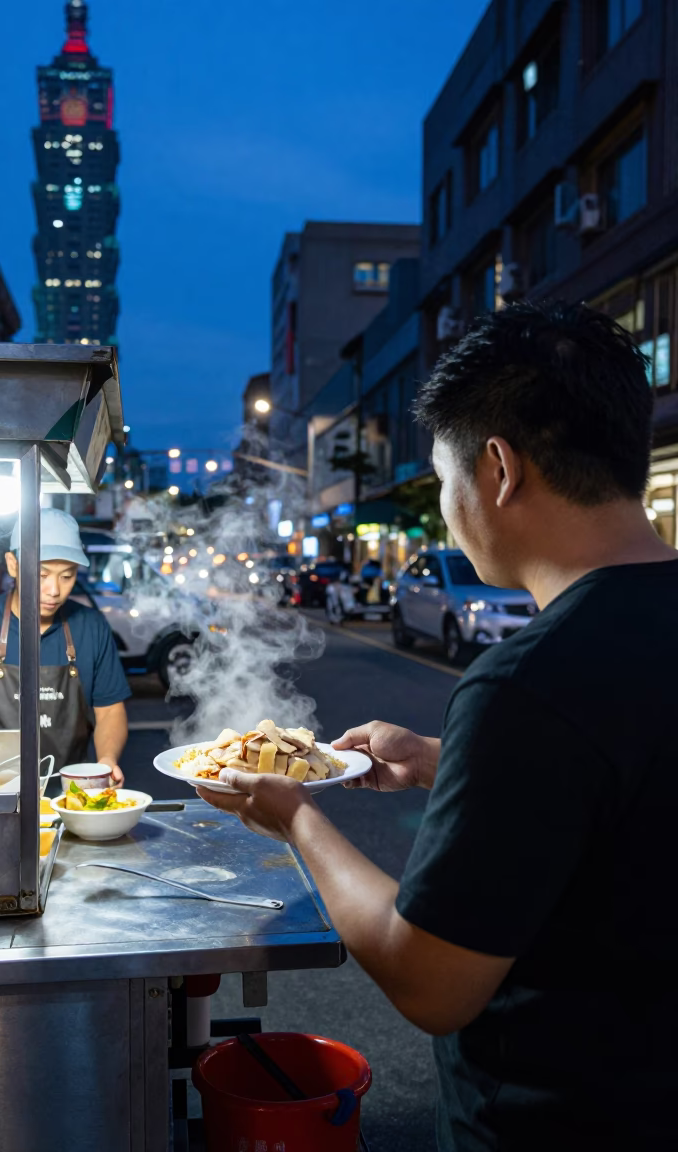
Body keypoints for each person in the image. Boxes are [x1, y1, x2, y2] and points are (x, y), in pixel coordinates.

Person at [199, 301, 678, 1150]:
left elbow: (427, 978)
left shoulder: (530, 681)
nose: (451, 508)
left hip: (562, 1121)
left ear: (497, 468)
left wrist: (295, 815)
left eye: (445, 477)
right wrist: (438, 760)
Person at [0, 509, 129, 780]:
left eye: (67, 576)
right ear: (13, 565)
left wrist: (107, 760)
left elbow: (110, 712)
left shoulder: (92, 628)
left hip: (71, 798)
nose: (54, 590)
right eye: (41, 574)